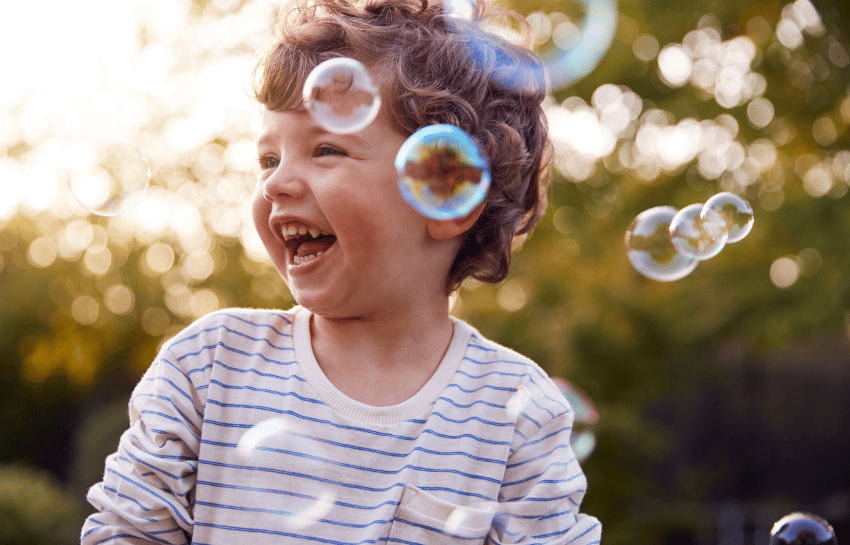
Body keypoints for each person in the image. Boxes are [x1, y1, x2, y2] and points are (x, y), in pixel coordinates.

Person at [81, 0, 603, 542]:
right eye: (268, 160)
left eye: (326, 149)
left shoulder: (516, 415)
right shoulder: (209, 368)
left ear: (446, 193)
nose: (276, 184)